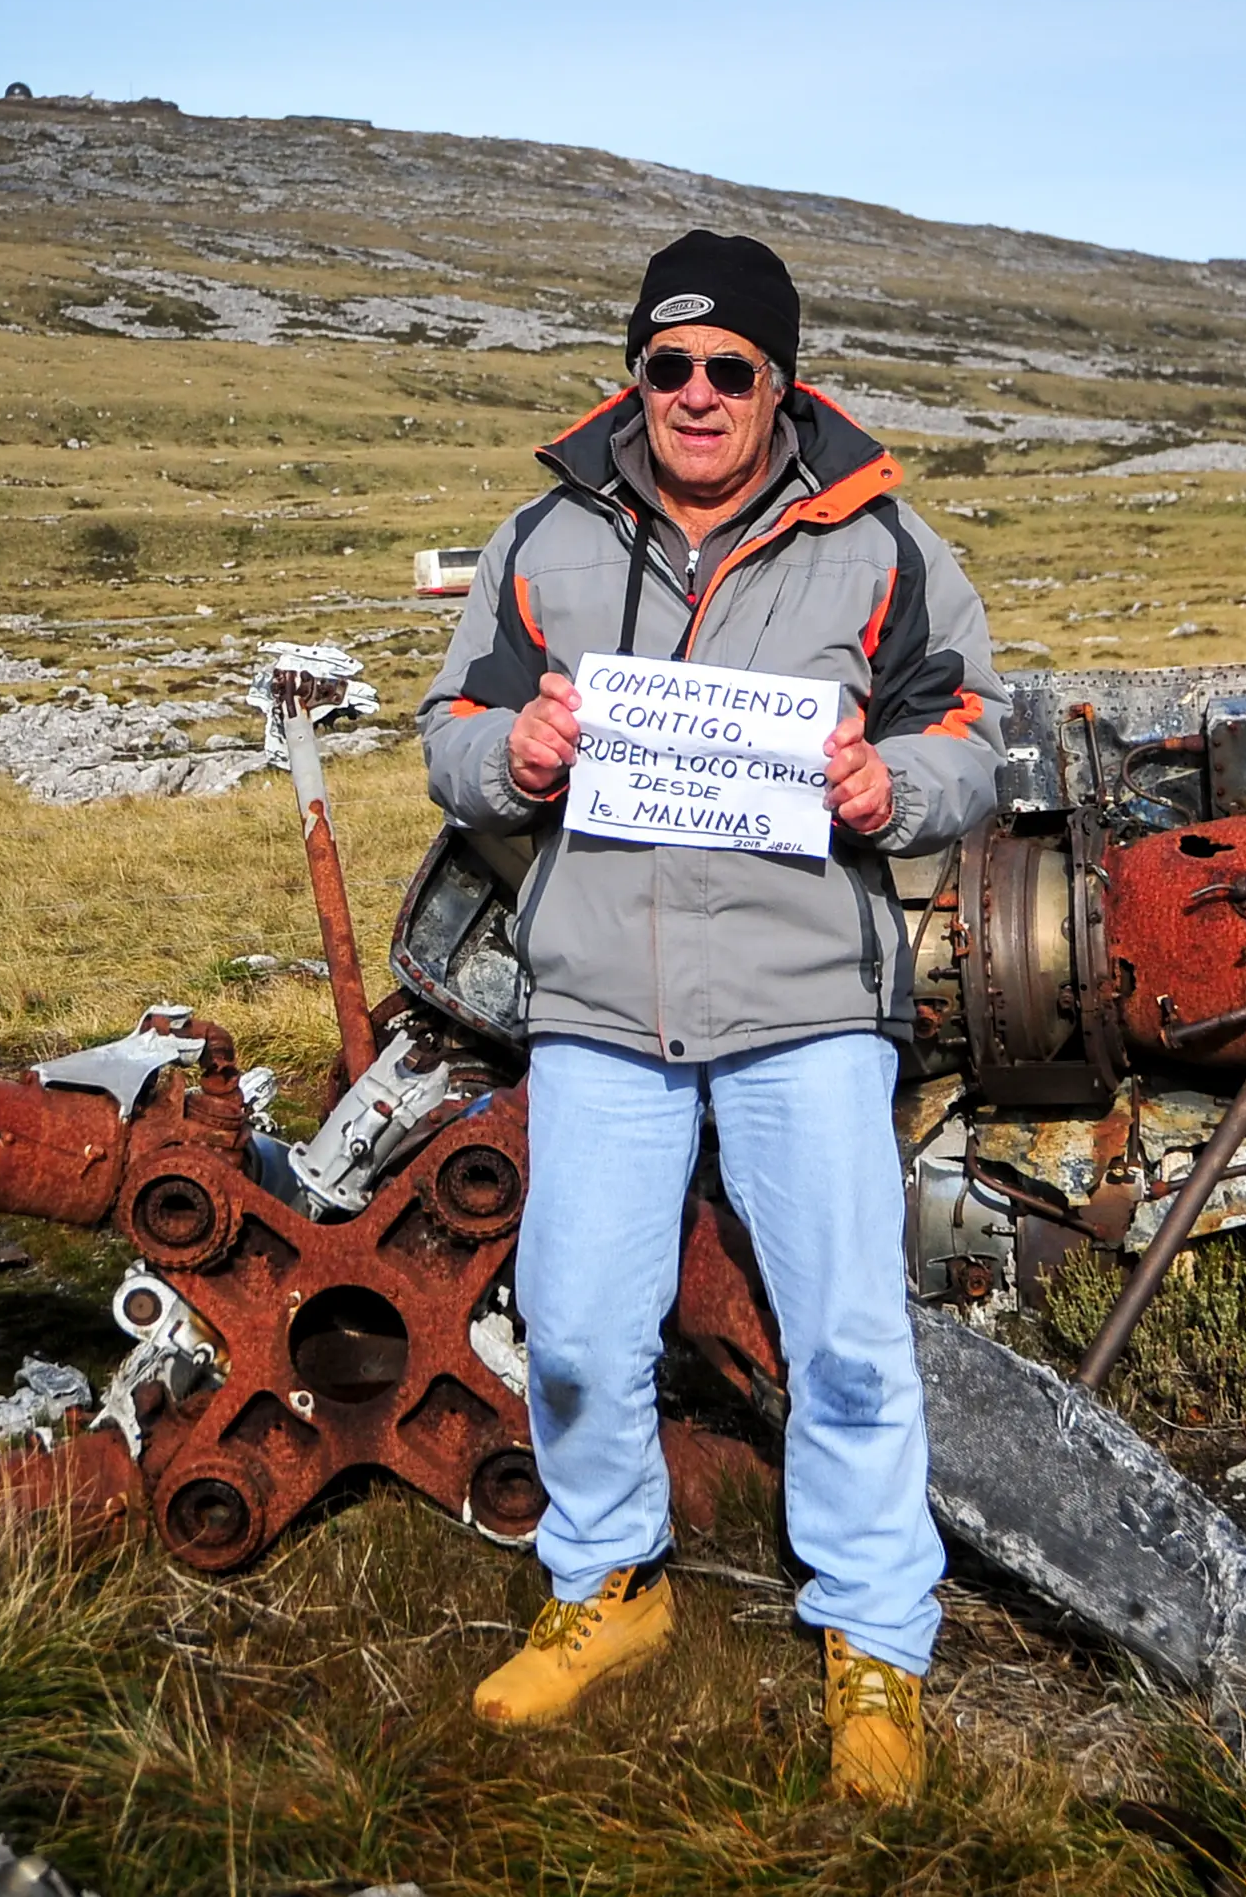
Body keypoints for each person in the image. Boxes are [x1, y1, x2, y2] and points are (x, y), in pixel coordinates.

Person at [417, 231, 1005, 1804]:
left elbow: (969, 734)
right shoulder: (541, 536)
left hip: (806, 1003)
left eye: (727, 368)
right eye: (667, 365)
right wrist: (511, 759)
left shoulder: (883, 549)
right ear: (637, 376)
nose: (695, 393)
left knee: (851, 1343)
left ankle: (875, 1635)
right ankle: (610, 1584)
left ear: (779, 380)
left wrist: (900, 785)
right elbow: (450, 729)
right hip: (603, 999)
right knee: (580, 1332)